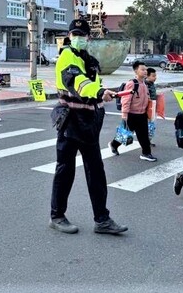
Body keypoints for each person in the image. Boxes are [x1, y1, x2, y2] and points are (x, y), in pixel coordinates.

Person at [50, 18, 127, 235]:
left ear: (88, 37)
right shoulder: (66, 57)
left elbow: (91, 84)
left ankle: (102, 219)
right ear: (69, 36)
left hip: (88, 124)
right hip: (70, 122)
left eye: (81, 35)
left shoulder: (88, 59)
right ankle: (57, 216)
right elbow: (78, 83)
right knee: (65, 171)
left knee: (96, 172)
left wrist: (102, 92)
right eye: (74, 34)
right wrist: (100, 92)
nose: (78, 38)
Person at [108, 60, 157, 162]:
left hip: (142, 114)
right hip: (132, 114)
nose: (145, 71)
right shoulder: (132, 83)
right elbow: (126, 100)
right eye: (142, 69)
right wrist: (124, 115)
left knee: (143, 135)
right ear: (136, 71)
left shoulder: (144, 83)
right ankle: (113, 144)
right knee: (125, 133)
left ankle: (146, 153)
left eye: (146, 70)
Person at [145, 67, 157, 147]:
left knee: (150, 125)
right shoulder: (145, 84)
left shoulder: (151, 84)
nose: (155, 78)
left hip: (152, 107)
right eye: (153, 76)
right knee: (148, 125)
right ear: (147, 76)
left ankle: (148, 140)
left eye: (155, 76)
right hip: (147, 108)